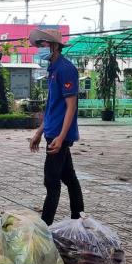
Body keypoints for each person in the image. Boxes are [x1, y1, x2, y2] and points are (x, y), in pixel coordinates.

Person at [28, 29, 85, 226]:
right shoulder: (53, 70)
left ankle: (45, 225)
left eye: (43, 45)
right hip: (52, 132)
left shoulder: (66, 69)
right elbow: (52, 107)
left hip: (59, 136)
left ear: (54, 46)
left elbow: (71, 106)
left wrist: (61, 138)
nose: (40, 49)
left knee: (51, 181)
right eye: (40, 45)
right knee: (69, 178)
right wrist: (38, 133)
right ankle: (78, 218)